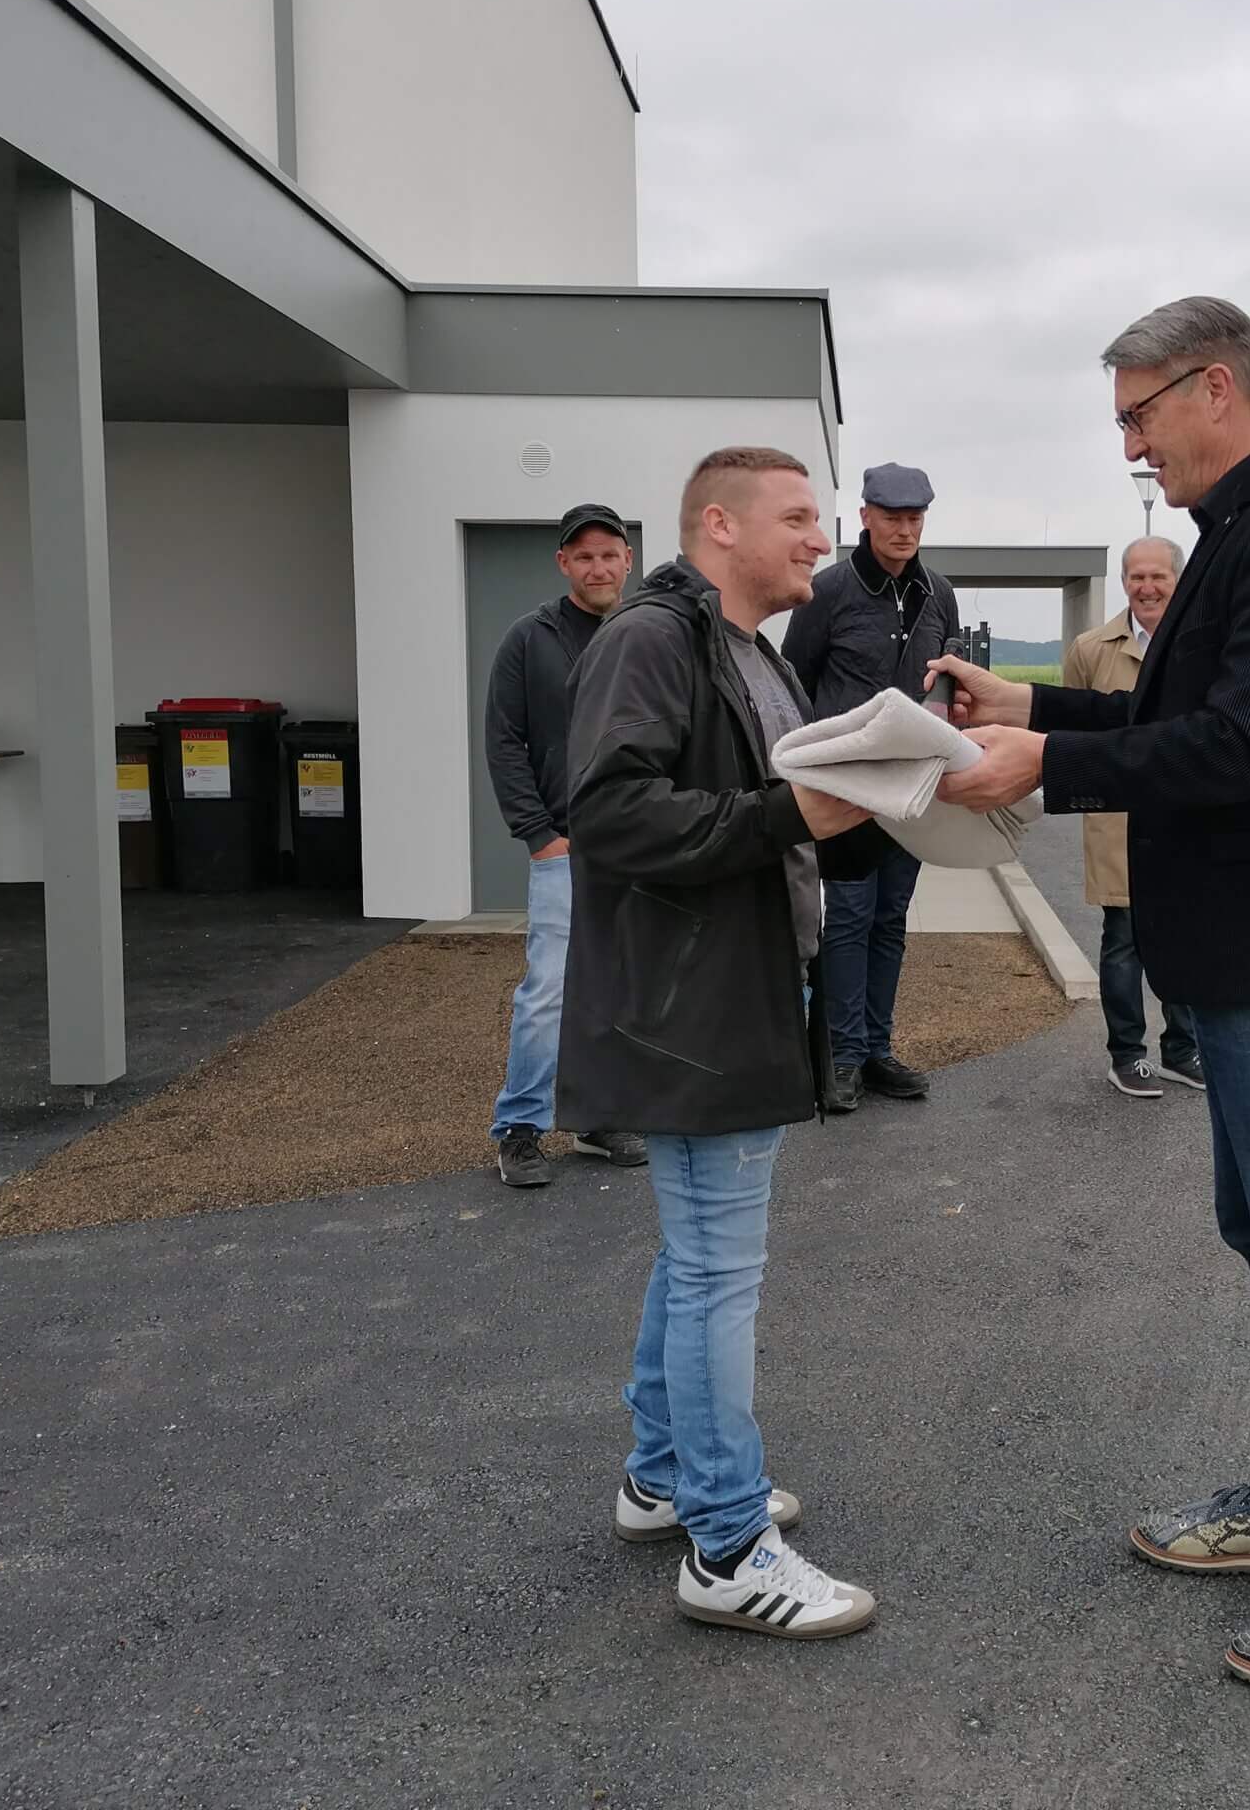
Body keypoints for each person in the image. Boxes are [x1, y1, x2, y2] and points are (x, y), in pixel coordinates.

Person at [928, 296, 1250, 1692]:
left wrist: (1047, 767)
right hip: (1245, 958)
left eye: (1139, 418)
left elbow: (1244, 745)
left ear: (1215, 387)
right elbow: (1177, 715)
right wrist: (1030, 706)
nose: (1133, 450)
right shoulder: (1241, 531)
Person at [558, 445, 882, 1640]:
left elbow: (780, 818)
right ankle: (730, 1546)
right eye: (797, 516)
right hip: (690, 1007)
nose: (821, 539)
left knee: (695, 1258)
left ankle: (664, 1479)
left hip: (737, 992)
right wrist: (786, 812)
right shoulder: (653, 640)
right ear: (718, 525)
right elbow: (609, 813)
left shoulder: (755, 654)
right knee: (713, 1272)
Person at [781, 462, 962, 1113]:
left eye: (915, 518)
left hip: (912, 790)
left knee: (890, 919)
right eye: (892, 517)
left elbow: (947, 679)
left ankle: (877, 1049)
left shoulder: (939, 594)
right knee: (850, 919)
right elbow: (794, 681)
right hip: (847, 791)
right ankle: (842, 1056)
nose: (904, 529)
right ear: (865, 517)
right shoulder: (827, 591)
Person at [482, 502, 646, 1187]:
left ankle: (596, 1118)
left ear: (628, 560)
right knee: (548, 991)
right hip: (564, 847)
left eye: (609, 555)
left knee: (619, 988)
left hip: (636, 844)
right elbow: (504, 740)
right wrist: (539, 835)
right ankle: (519, 1128)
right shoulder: (530, 640)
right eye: (584, 557)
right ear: (563, 563)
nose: (597, 567)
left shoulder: (648, 636)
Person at [1065, 536, 1203, 1098]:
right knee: (1123, 936)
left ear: (1179, 579)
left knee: (1187, 932)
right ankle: (1127, 1055)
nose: (1146, 587)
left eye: (1158, 576)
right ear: (1124, 582)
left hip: (1187, 814)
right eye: (1136, 577)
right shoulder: (1090, 649)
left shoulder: (1204, 642)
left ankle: (1182, 1050)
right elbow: (1073, 726)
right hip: (1117, 816)